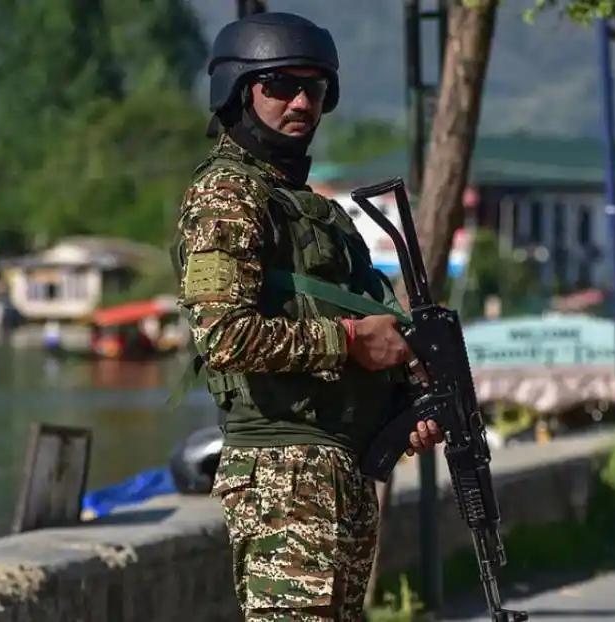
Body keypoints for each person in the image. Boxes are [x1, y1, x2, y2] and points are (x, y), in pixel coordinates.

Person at [174, 12, 443, 620]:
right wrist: (349, 340)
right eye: (280, 86)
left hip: (339, 467)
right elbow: (223, 336)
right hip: (283, 473)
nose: (300, 103)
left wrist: (405, 408)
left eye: (314, 89)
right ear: (239, 91)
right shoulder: (227, 194)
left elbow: (352, 328)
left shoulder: (311, 208)